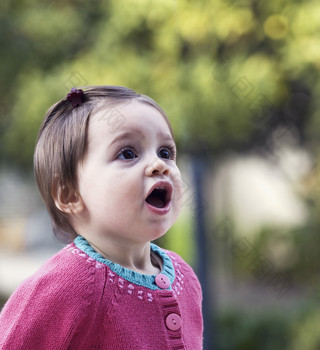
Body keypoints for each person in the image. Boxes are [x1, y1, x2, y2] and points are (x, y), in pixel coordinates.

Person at [0, 86, 203, 349]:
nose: (159, 164)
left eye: (165, 152)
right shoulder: (64, 286)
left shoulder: (185, 277)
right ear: (69, 194)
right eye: (128, 153)